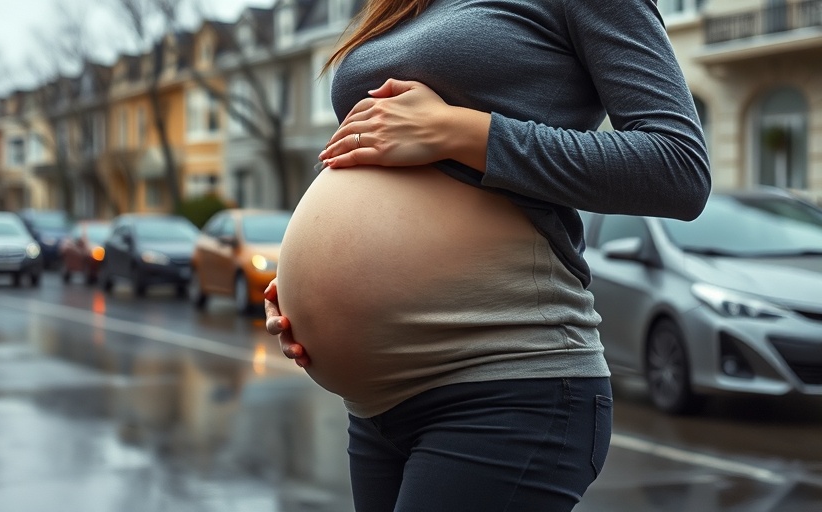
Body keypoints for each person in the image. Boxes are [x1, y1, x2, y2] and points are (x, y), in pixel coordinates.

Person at [265, 0, 710, 510]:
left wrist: (459, 130)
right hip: (375, 407)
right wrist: (303, 291)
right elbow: (369, 144)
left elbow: (677, 168)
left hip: (505, 383)